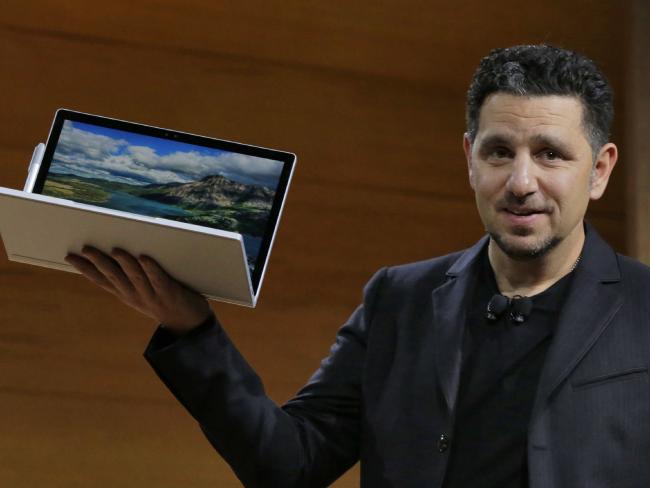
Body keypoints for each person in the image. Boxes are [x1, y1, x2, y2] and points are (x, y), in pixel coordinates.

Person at [64, 44, 650, 487]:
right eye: (500, 152)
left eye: (551, 154)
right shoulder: (399, 298)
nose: (522, 182)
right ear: (469, 159)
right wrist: (192, 329)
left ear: (599, 170)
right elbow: (288, 464)